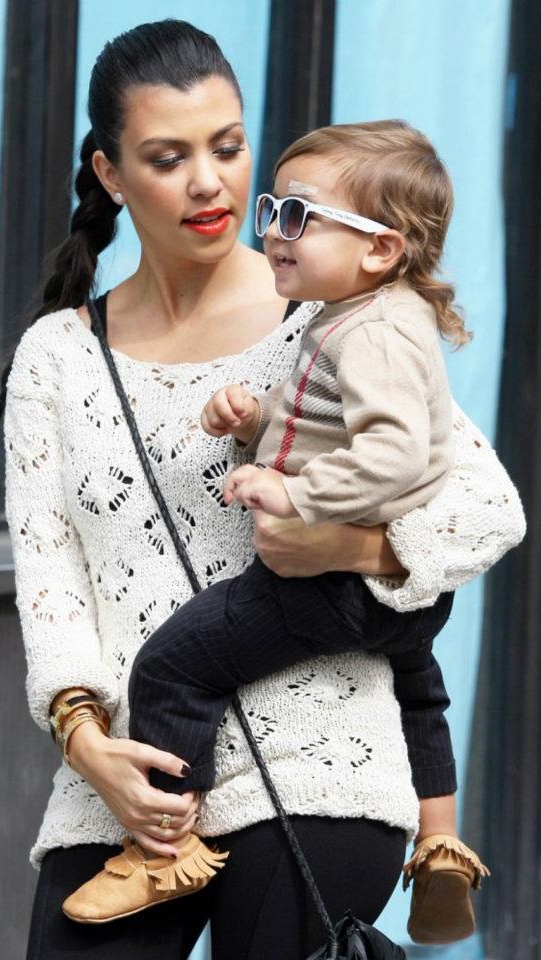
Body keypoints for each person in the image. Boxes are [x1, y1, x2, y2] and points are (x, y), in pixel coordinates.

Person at [0, 18, 524, 960]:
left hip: (319, 763)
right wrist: (87, 744)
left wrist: (345, 546)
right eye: (169, 158)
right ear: (110, 174)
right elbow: (50, 579)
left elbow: (487, 508)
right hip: (134, 783)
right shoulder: (57, 358)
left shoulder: (334, 313)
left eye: (229, 148)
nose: (210, 183)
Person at [63, 120, 487, 945]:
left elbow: (396, 455)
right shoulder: (366, 315)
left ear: (380, 248)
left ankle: (165, 846)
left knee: (175, 666)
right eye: (273, 209)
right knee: (421, 687)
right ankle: (441, 840)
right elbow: (330, 428)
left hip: (327, 581)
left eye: (298, 216)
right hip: (401, 592)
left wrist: (295, 495)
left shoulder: (370, 334)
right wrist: (257, 421)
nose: (273, 232)